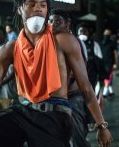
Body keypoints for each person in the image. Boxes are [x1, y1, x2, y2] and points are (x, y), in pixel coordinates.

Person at [0, 0, 112, 147]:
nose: (38, 9)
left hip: (54, 116)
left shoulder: (63, 40)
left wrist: (101, 125)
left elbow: (85, 86)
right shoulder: (10, 48)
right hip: (21, 111)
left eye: (42, 5)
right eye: (31, 4)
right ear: (19, 9)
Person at [49, 8, 91, 147]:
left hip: (73, 97)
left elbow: (80, 72)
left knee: (77, 136)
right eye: (50, 21)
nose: (53, 24)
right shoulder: (47, 42)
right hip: (53, 99)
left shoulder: (75, 42)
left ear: (67, 24)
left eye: (58, 21)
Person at [101, 28, 118, 98]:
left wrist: (116, 63)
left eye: (107, 34)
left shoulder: (112, 43)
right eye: (105, 34)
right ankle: (110, 91)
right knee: (108, 77)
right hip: (103, 63)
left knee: (108, 77)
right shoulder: (101, 42)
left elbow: (115, 53)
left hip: (110, 63)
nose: (106, 35)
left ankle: (105, 93)